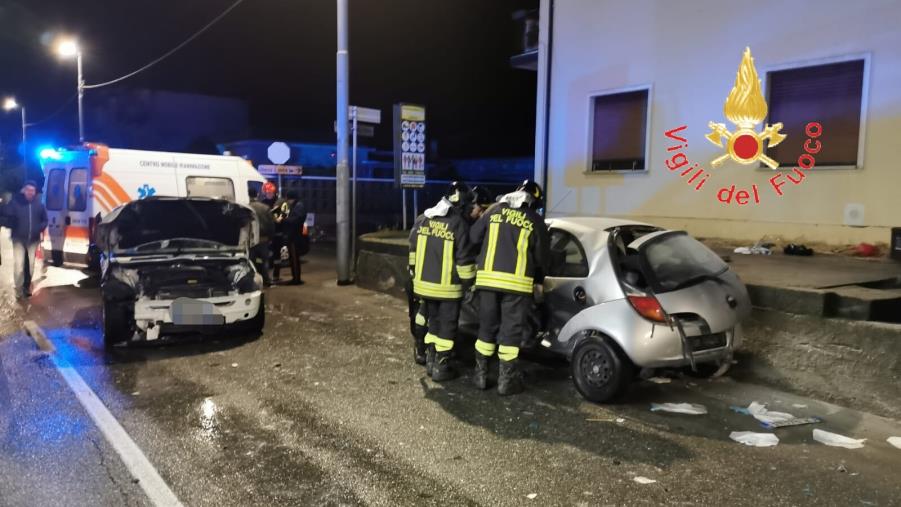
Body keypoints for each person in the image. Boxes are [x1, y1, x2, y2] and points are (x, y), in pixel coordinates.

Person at [469, 180, 549, 395]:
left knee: (486, 328)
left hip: (487, 282)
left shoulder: (493, 211)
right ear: (534, 202)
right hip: (517, 285)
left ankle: (480, 376)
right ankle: (506, 381)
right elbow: (543, 259)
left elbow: (473, 237)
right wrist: (539, 280)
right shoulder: (535, 219)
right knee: (510, 334)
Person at [406, 185, 492, 367]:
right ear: (462, 205)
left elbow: (412, 250)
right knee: (446, 327)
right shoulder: (457, 224)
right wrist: (470, 284)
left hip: (422, 284)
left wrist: (414, 273)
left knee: (430, 321)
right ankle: (441, 367)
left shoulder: (423, 219)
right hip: (447, 289)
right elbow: (463, 263)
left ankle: (427, 356)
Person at [2, 181, 48, 299]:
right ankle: (18, 289)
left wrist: (39, 228)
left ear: (35, 192)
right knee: (19, 265)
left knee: (31, 266)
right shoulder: (15, 202)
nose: (30, 192)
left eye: (32, 190)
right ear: (24, 190)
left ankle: (26, 287)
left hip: (33, 240)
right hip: (18, 239)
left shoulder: (39, 205)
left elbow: (45, 220)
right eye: (27, 190)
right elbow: (4, 213)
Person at [248, 187, 275, 287]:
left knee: (250, 261)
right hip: (263, 239)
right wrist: (271, 237)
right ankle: (267, 280)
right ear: (257, 195)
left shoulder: (246, 207)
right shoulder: (265, 207)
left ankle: (252, 280)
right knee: (265, 261)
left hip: (250, 239)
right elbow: (271, 224)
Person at [282, 190, 307, 285]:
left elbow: (296, 220)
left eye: (288, 199)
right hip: (294, 235)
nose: (287, 201)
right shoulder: (297, 206)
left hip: (295, 236)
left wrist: (285, 220)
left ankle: (296, 279)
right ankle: (295, 278)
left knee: (295, 258)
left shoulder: (299, 206)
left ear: (291, 198)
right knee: (293, 258)